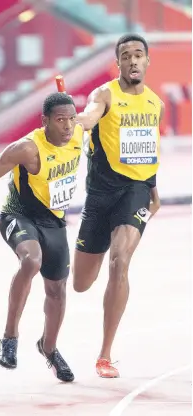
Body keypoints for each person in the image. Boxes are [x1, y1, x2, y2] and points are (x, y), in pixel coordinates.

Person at [0, 92, 83, 382]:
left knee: (57, 291)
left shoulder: (79, 132)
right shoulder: (27, 149)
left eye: (71, 120)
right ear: (44, 122)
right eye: (60, 120)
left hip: (54, 222)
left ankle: (49, 347)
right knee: (31, 261)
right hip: (19, 216)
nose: (67, 127)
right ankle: (9, 336)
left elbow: (93, 114)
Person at [72, 34, 163, 378]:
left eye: (139, 54)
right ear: (119, 63)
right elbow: (91, 115)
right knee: (81, 283)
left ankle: (104, 355)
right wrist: (78, 122)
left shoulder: (156, 104)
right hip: (100, 196)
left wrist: (153, 190)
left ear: (147, 61)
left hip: (135, 192)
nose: (133, 61)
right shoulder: (105, 94)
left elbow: (149, 148)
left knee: (120, 261)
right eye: (126, 56)